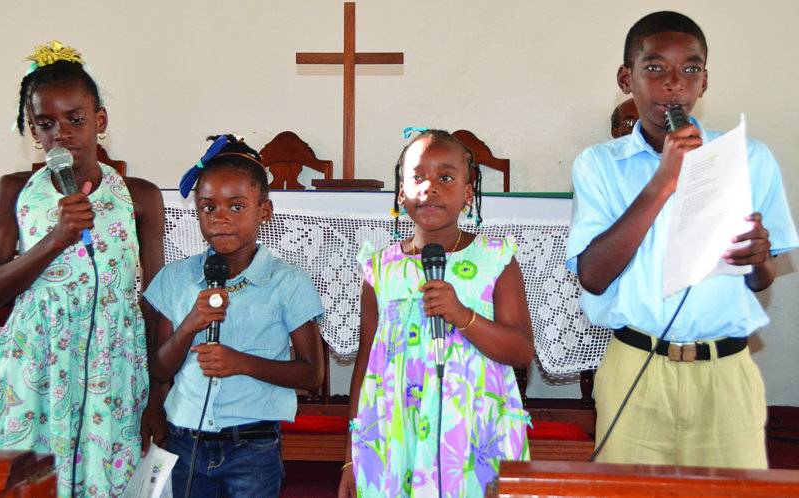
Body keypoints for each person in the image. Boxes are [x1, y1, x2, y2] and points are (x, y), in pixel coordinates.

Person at [566, 11, 799, 468]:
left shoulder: (749, 158)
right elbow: (593, 277)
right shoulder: (599, 164)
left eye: (690, 69)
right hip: (638, 363)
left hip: (726, 370)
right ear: (625, 77)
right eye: (654, 67)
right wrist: (663, 181)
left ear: (704, 82)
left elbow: (760, 279)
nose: (674, 83)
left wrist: (756, 258)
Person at [0, 41, 166, 496]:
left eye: (75, 119)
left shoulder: (141, 197)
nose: (63, 133)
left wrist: (157, 393)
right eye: (46, 123)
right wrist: (54, 241)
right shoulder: (14, 191)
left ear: (100, 121)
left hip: (112, 372)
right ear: (33, 130)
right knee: (32, 486)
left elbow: (153, 303)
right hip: (35, 370)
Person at [339, 129, 534, 497]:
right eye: (417, 177)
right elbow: (366, 362)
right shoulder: (380, 269)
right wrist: (351, 454)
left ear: (467, 193)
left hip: (475, 427)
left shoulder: (495, 259)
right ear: (400, 194)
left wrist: (462, 315)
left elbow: (522, 352)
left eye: (446, 177)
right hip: (398, 429)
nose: (430, 187)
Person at [143, 134, 325, 497]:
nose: (221, 218)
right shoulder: (176, 280)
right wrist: (190, 325)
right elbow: (160, 369)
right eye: (208, 207)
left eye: (236, 206)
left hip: (253, 447)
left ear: (264, 211)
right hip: (186, 445)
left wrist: (241, 363)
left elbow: (312, 374)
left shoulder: (287, 282)